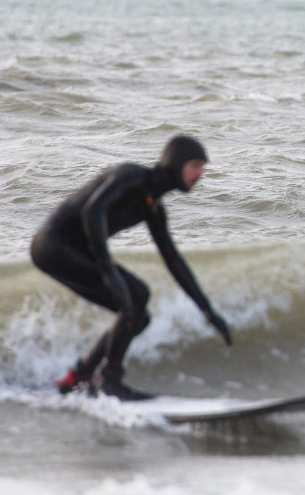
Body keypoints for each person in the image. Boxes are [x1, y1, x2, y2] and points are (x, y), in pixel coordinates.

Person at [31, 135, 232, 401]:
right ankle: (110, 382)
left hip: (74, 250)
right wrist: (107, 270)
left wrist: (207, 309)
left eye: (203, 166)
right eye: (195, 165)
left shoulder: (153, 209)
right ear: (175, 163)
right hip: (54, 244)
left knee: (138, 314)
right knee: (136, 297)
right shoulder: (131, 177)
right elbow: (93, 211)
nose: (200, 173)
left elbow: (173, 260)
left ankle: (78, 377)